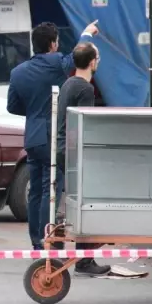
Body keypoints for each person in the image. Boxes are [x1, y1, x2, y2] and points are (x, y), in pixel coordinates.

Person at [7, 21, 99, 251]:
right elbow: (78, 56)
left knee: (36, 191)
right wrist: (87, 33)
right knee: (52, 191)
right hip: (51, 138)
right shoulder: (56, 63)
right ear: (52, 44)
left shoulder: (17, 72)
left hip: (32, 137)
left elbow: (12, 106)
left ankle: (37, 242)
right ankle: (49, 240)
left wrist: (34, 112)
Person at [55, 42, 111, 276]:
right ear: (92, 62)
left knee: (67, 203)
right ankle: (85, 260)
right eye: (97, 58)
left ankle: (58, 251)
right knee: (84, 205)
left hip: (61, 149)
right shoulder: (85, 89)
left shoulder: (68, 83)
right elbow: (82, 125)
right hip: (73, 151)